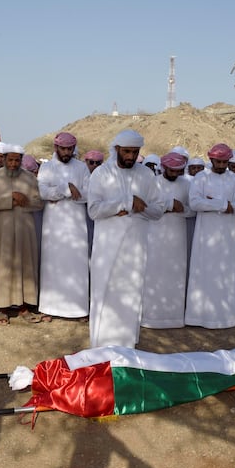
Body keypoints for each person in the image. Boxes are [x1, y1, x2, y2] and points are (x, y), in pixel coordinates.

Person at [88, 129, 163, 348]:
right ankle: (101, 342)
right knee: (105, 289)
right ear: (117, 150)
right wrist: (124, 203)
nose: (130, 156)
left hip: (135, 247)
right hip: (107, 247)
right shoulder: (101, 174)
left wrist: (141, 207)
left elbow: (157, 211)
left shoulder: (147, 175)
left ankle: (128, 343)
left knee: (130, 290)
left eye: (135, 152)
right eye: (127, 151)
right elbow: (93, 210)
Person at [184, 143, 235, 329]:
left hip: (228, 236)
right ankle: (199, 317)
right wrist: (224, 205)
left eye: (224, 162)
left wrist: (212, 203)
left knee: (226, 272)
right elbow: (195, 203)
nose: (221, 165)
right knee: (204, 271)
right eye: (218, 161)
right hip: (205, 235)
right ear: (211, 159)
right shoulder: (200, 178)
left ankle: (226, 316)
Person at [0, 147, 44, 324]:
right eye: (10, 160)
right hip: (3, 231)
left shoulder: (29, 178)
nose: (13, 164)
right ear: (3, 159)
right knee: (3, 266)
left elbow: (39, 203)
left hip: (26, 230)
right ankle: (0, 309)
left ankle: (24, 307)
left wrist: (24, 201)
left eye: (16, 160)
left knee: (25, 266)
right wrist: (11, 198)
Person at [37, 132, 91, 321]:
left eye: (70, 149)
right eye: (63, 149)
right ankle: (49, 308)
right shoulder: (46, 167)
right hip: (53, 224)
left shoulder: (82, 167)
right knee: (52, 263)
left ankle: (78, 309)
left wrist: (65, 194)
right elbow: (42, 192)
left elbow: (88, 193)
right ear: (56, 148)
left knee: (76, 263)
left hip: (76, 224)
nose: (66, 152)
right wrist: (67, 189)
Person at [141, 152, 191, 328]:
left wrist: (181, 208)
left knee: (176, 273)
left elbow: (192, 210)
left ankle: (174, 317)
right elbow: (146, 208)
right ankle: (151, 317)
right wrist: (169, 205)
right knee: (154, 273)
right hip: (155, 236)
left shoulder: (187, 184)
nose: (175, 174)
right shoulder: (152, 183)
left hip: (178, 236)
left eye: (178, 170)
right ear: (163, 168)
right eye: (172, 170)